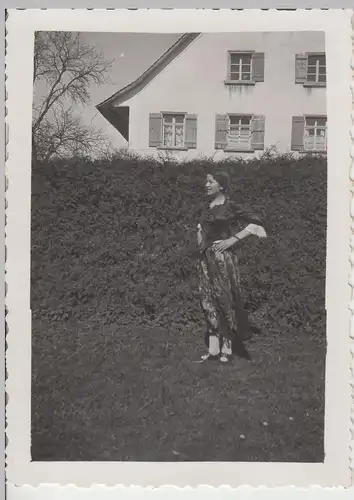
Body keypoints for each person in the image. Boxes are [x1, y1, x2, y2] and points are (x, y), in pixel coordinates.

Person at [197, 171, 267, 363]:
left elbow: (256, 221)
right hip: (206, 259)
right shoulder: (206, 207)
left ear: (221, 185)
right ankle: (213, 350)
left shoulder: (230, 205)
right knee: (207, 300)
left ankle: (226, 348)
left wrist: (232, 240)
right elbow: (201, 228)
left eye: (210, 181)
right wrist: (201, 243)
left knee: (224, 300)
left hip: (223, 258)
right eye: (206, 181)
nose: (207, 185)